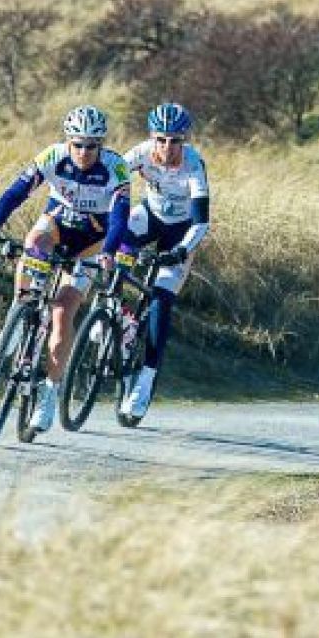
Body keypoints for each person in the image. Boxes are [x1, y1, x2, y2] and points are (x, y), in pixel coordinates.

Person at [0, 104, 133, 436]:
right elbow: (17, 191)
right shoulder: (52, 156)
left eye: (92, 145)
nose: (85, 152)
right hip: (57, 226)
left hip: (93, 241)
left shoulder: (116, 168)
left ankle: (50, 390)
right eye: (78, 144)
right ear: (68, 141)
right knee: (33, 246)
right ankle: (18, 314)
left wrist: (108, 253)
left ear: (101, 145)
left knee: (63, 313)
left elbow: (120, 217)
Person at [116, 102, 212, 420]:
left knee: (161, 300)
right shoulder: (141, 152)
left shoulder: (194, 164)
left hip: (180, 233)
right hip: (150, 216)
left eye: (175, 140)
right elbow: (110, 175)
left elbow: (201, 222)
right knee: (114, 250)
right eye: (161, 139)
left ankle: (145, 380)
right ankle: (111, 314)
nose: (167, 147)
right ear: (151, 137)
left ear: (184, 140)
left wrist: (183, 250)